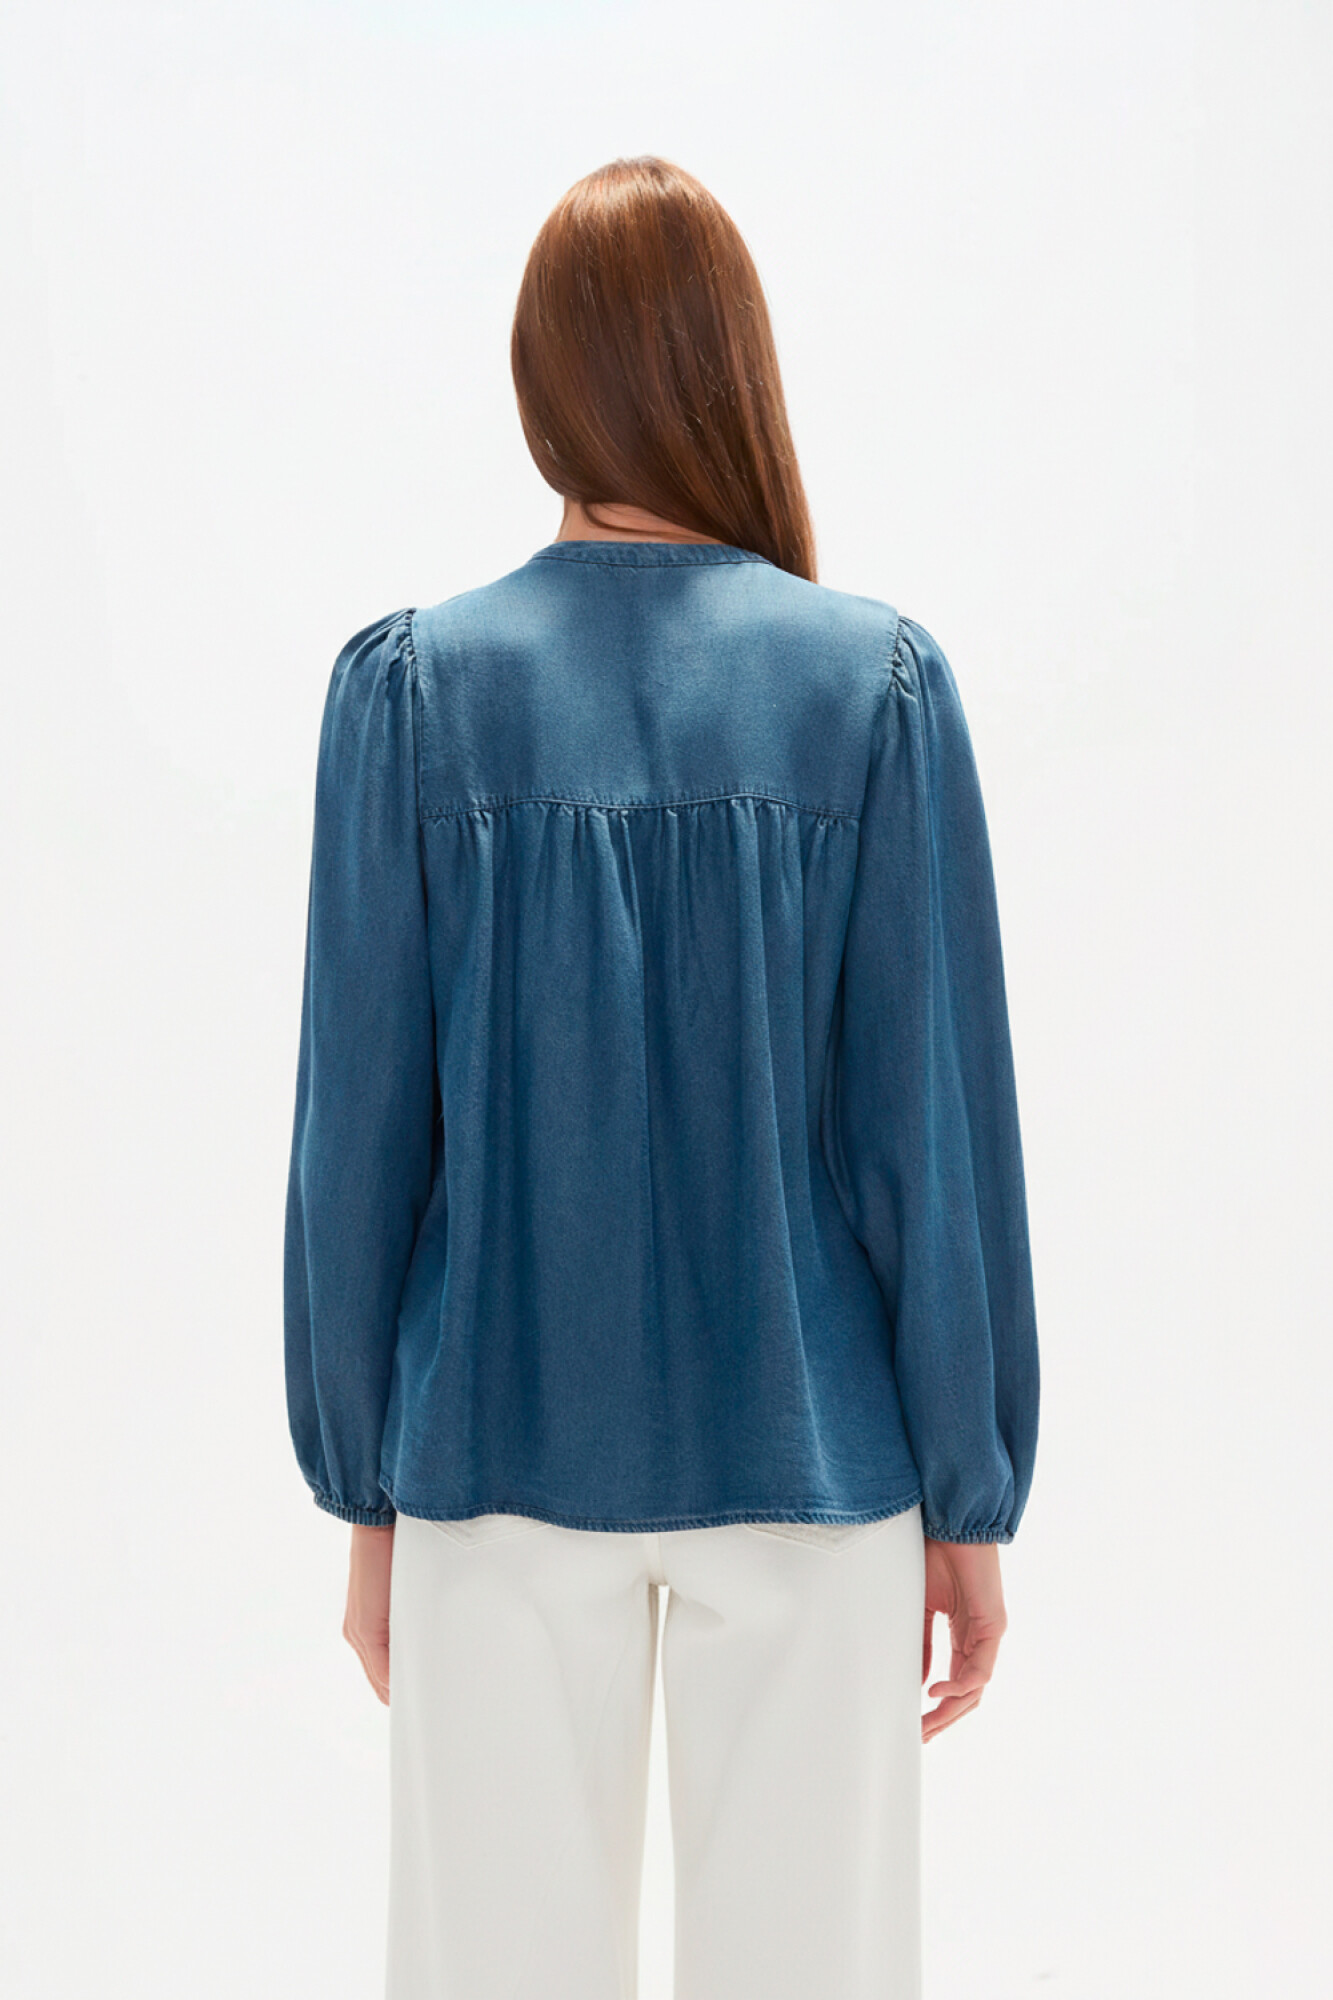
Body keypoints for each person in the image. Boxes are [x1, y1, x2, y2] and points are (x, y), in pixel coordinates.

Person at [284, 154, 1040, 2000]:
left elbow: (354, 1144)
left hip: (489, 1467)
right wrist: (967, 1499)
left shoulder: (414, 695)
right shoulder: (872, 689)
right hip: (815, 1469)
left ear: (538, 378)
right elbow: (929, 1137)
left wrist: (367, 1493)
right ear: (731, 368)